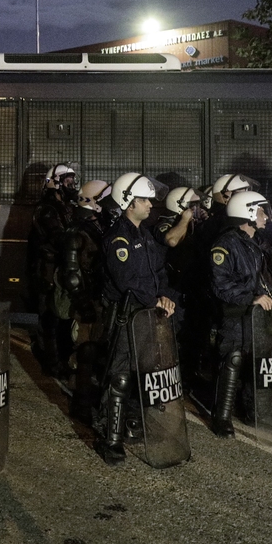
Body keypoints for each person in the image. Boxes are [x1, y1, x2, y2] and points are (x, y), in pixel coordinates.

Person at [95, 172, 175, 465]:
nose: (151, 205)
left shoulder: (144, 234)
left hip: (145, 315)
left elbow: (158, 272)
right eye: (145, 200)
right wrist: (154, 299)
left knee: (142, 374)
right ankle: (111, 441)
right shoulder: (119, 238)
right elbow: (126, 279)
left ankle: (132, 424)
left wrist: (164, 295)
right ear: (129, 202)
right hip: (125, 316)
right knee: (120, 376)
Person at [208, 190, 272, 438]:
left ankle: (254, 411)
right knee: (233, 359)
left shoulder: (259, 242)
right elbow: (220, 283)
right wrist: (251, 298)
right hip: (236, 312)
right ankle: (222, 417)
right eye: (261, 211)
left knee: (257, 361)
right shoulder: (225, 244)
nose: (265, 217)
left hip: (259, 313)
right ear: (247, 213)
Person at [28, 163, 80, 379]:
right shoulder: (47, 209)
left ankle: (62, 360)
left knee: (63, 317)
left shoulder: (66, 207)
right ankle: (51, 363)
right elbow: (57, 237)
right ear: (55, 183)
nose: (72, 185)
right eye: (68, 181)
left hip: (60, 271)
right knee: (50, 319)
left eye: (73, 181)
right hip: (47, 273)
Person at [156, 187, 203, 384]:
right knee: (170, 337)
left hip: (187, 289)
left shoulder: (192, 226)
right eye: (193, 206)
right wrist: (185, 219)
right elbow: (172, 240)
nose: (198, 209)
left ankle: (188, 377)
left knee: (190, 336)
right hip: (170, 290)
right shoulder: (164, 224)